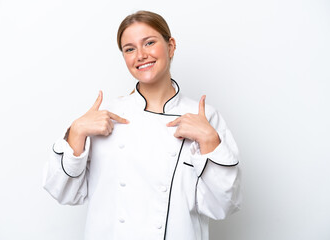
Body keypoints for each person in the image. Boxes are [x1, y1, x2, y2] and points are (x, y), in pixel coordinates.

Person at [43, 10, 241, 240]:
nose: (140, 55)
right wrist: (75, 133)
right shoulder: (105, 116)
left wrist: (210, 142)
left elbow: (223, 205)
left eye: (149, 43)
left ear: (171, 46)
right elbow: (62, 192)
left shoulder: (203, 117)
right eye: (130, 49)